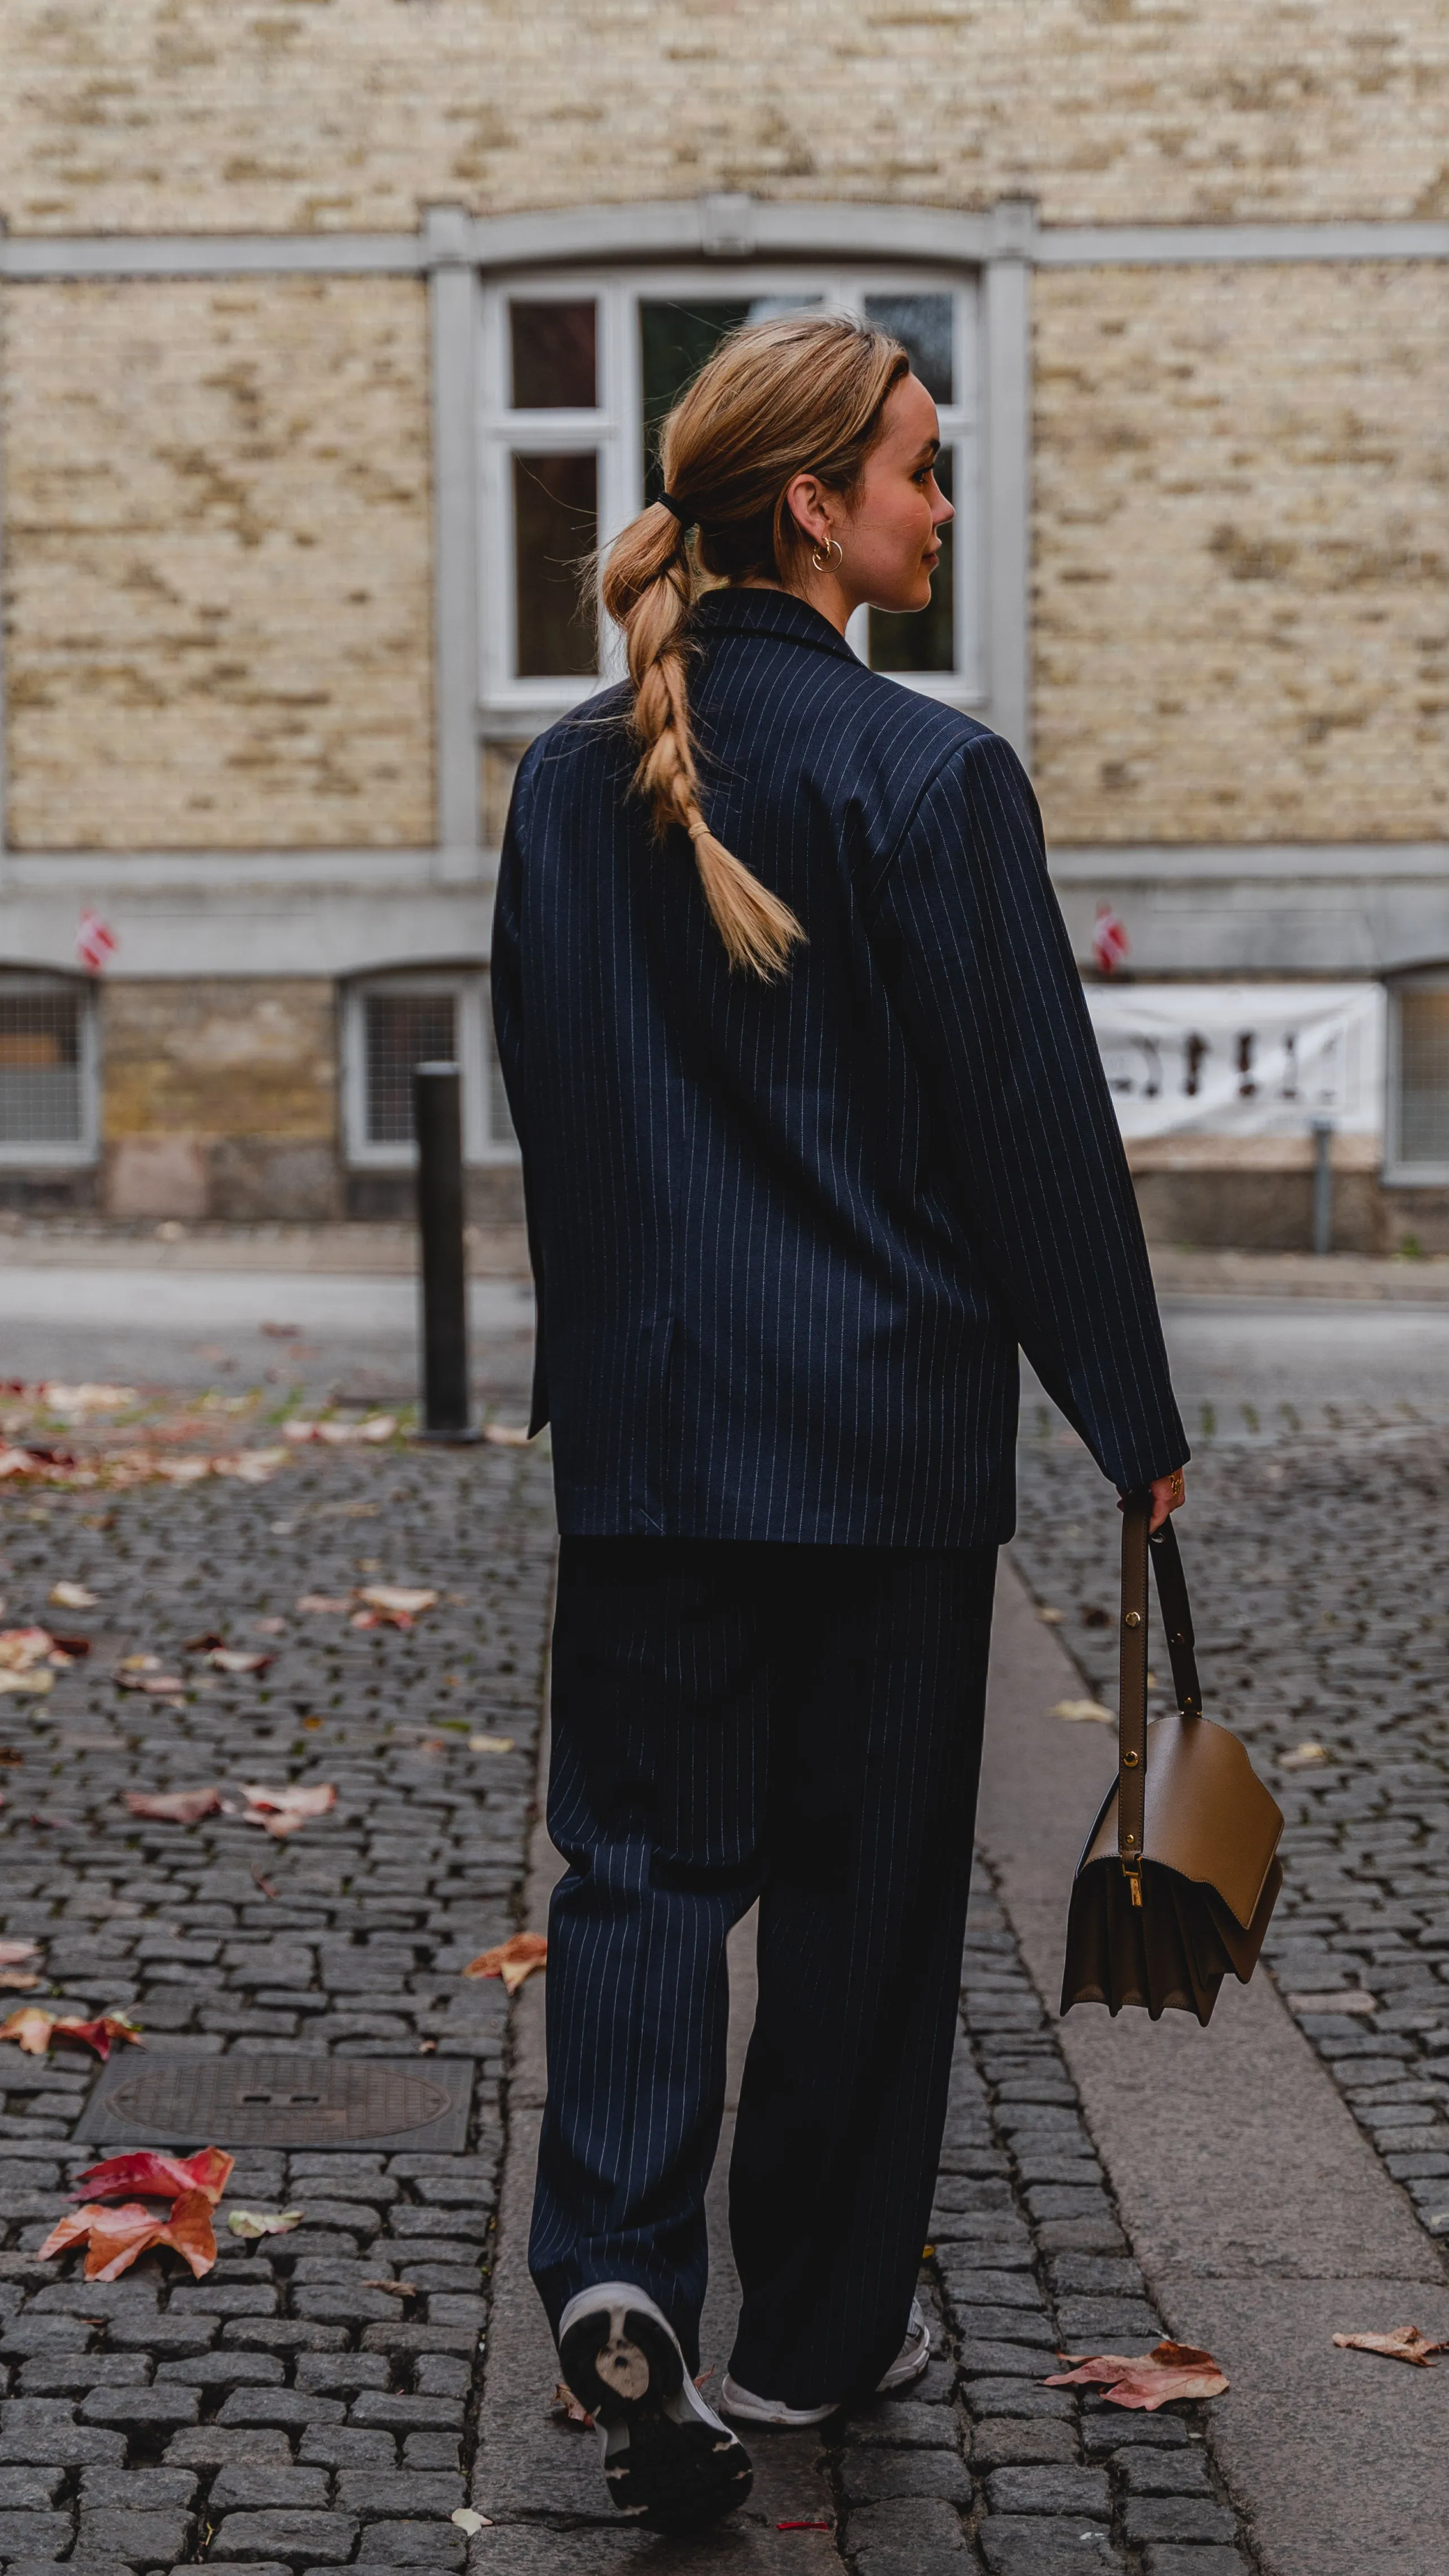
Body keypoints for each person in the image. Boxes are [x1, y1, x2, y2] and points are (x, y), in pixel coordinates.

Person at [491, 311, 1188, 2532]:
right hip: (879, 1451)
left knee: (641, 1867)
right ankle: (803, 2331)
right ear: (813, 503)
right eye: (917, 465)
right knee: (859, 1904)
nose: (940, 500)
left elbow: (558, 1103)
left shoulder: (565, 775)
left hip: (661, 1436)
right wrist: (1129, 1413)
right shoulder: (927, 774)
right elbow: (1030, 1135)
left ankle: (612, 2262)